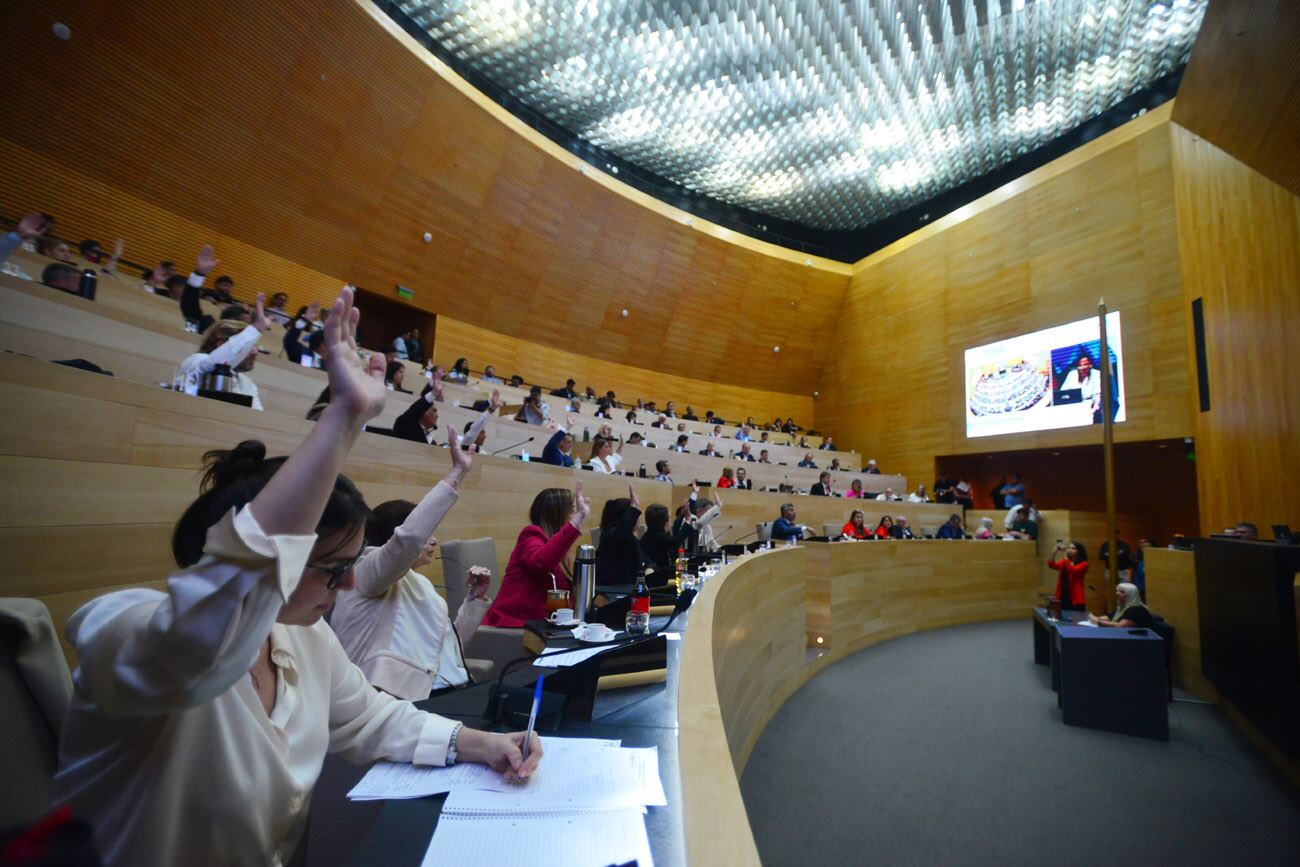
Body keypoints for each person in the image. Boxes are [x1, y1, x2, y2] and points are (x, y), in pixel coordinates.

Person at [52, 287, 540, 865]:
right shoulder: (126, 629)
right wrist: (343, 420)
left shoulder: (304, 638)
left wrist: (479, 744)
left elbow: (370, 716)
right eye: (335, 571)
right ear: (278, 558)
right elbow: (214, 628)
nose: (351, 585)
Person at [331, 431, 491, 698]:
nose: (434, 540)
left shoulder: (420, 583)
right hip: (401, 703)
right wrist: (455, 475)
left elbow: (448, 650)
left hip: (454, 691)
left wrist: (474, 600)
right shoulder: (365, 571)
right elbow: (408, 540)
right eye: (427, 533)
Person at [483, 484, 589, 627]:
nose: (573, 517)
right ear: (556, 515)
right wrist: (576, 522)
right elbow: (542, 562)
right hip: (515, 626)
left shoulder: (555, 547)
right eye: (571, 512)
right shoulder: (531, 535)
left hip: (542, 624)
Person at [173, 294, 273, 409]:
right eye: (247, 347)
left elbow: (257, 419)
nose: (255, 353)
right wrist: (256, 329)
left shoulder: (247, 384)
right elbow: (215, 365)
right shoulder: (196, 361)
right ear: (221, 345)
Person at [595, 486, 647, 586]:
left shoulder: (631, 538)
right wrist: (633, 508)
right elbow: (620, 535)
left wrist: (650, 567)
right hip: (613, 591)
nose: (638, 519)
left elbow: (644, 559)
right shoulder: (612, 535)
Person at [1090, 582, 1154, 629]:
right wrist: (1096, 618)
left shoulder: (1137, 609)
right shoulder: (1122, 607)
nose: (1117, 593)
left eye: (1122, 592)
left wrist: (1099, 622)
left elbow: (1121, 626)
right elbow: (1109, 617)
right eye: (1117, 591)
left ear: (1131, 595)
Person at [1048, 541, 1089, 611]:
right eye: (1069, 548)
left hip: (1075, 595)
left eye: (1073, 548)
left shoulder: (1084, 564)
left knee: (1076, 617)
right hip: (1063, 593)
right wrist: (1055, 552)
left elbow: (1073, 570)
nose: (1070, 550)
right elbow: (1052, 565)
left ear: (1079, 551)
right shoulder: (1066, 562)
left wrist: (1065, 557)